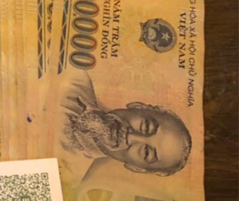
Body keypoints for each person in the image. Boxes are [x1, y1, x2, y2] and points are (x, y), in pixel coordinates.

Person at [60, 71, 192, 178]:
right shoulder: (74, 77)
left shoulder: (65, 176)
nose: (131, 136)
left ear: (136, 168)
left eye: (146, 152)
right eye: (145, 127)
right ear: (138, 106)